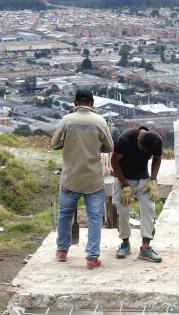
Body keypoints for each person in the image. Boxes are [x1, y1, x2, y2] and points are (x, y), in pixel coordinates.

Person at [51, 89, 113, 269]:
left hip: (71, 178)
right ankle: (92, 258)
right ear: (92, 103)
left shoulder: (67, 120)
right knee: (95, 218)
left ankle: (62, 251)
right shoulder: (100, 121)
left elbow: (54, 143)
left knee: (65, 215)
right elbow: (109, 146)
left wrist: (67, 144)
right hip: (93, 179)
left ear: (75, 102)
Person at [111, 127, 163, 262]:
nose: (145, 153)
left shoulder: (156, 141)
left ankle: (145, 248)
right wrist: (124, 185)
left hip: (144, 179)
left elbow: (157, 158)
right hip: (124, 177)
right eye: (143, 149)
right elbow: (114, 162)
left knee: (149, 209)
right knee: (123, 211)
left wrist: (153, 180)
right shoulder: (124, 140)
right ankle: (125, 244)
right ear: (138, 140)